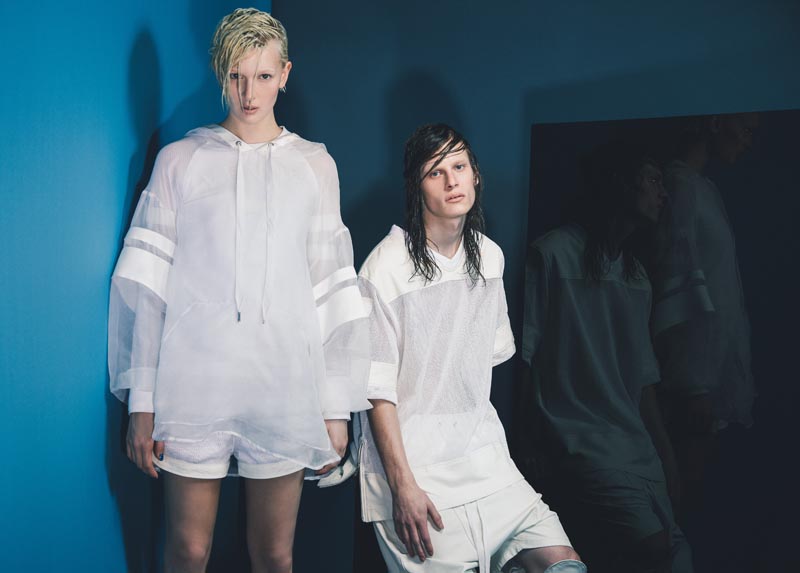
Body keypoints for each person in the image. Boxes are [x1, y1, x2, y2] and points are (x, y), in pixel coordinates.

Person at [107, 8, 369, 572]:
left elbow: (331, 285)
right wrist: (142, 402)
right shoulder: (180, 160)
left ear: (285, 74)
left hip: (283, 386)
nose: (249, 93)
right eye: (236, 76)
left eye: (264, 76)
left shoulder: (315, 165)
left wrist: (334, 406)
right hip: (194, 385)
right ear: (219, 72)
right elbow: (147, 287)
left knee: (274, 554)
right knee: (187, 549)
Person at [356, 123, 583, 573]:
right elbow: (376, 391)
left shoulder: (489, 256)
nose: (451, 181)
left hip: (487, 463)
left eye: (459, 166)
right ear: (416, 186)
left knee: (565, 566)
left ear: (475, 174)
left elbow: (477, 372)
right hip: (417, 473)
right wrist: (403, 485)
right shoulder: (383, 269)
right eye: (435, 172)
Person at [521, 142, 691, 573]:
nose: (662, 193)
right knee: (654, 549)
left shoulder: (636, 276)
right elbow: (524, 356)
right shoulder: (553, 255)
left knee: (678, 556)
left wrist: (667, 458)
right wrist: (529, 441)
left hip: (635, 447)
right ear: (622, 185)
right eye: (652, 180)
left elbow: (643, 378)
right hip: (581, 443)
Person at [650, 114, 759, 506]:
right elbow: (677, 276)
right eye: (745, 129)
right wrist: (693, 380)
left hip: (714, 361)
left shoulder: (705, 187)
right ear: (715, 122)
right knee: (680, 485)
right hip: (693, 369)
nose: (748, 141)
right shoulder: (679, 185)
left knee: (696, 487)